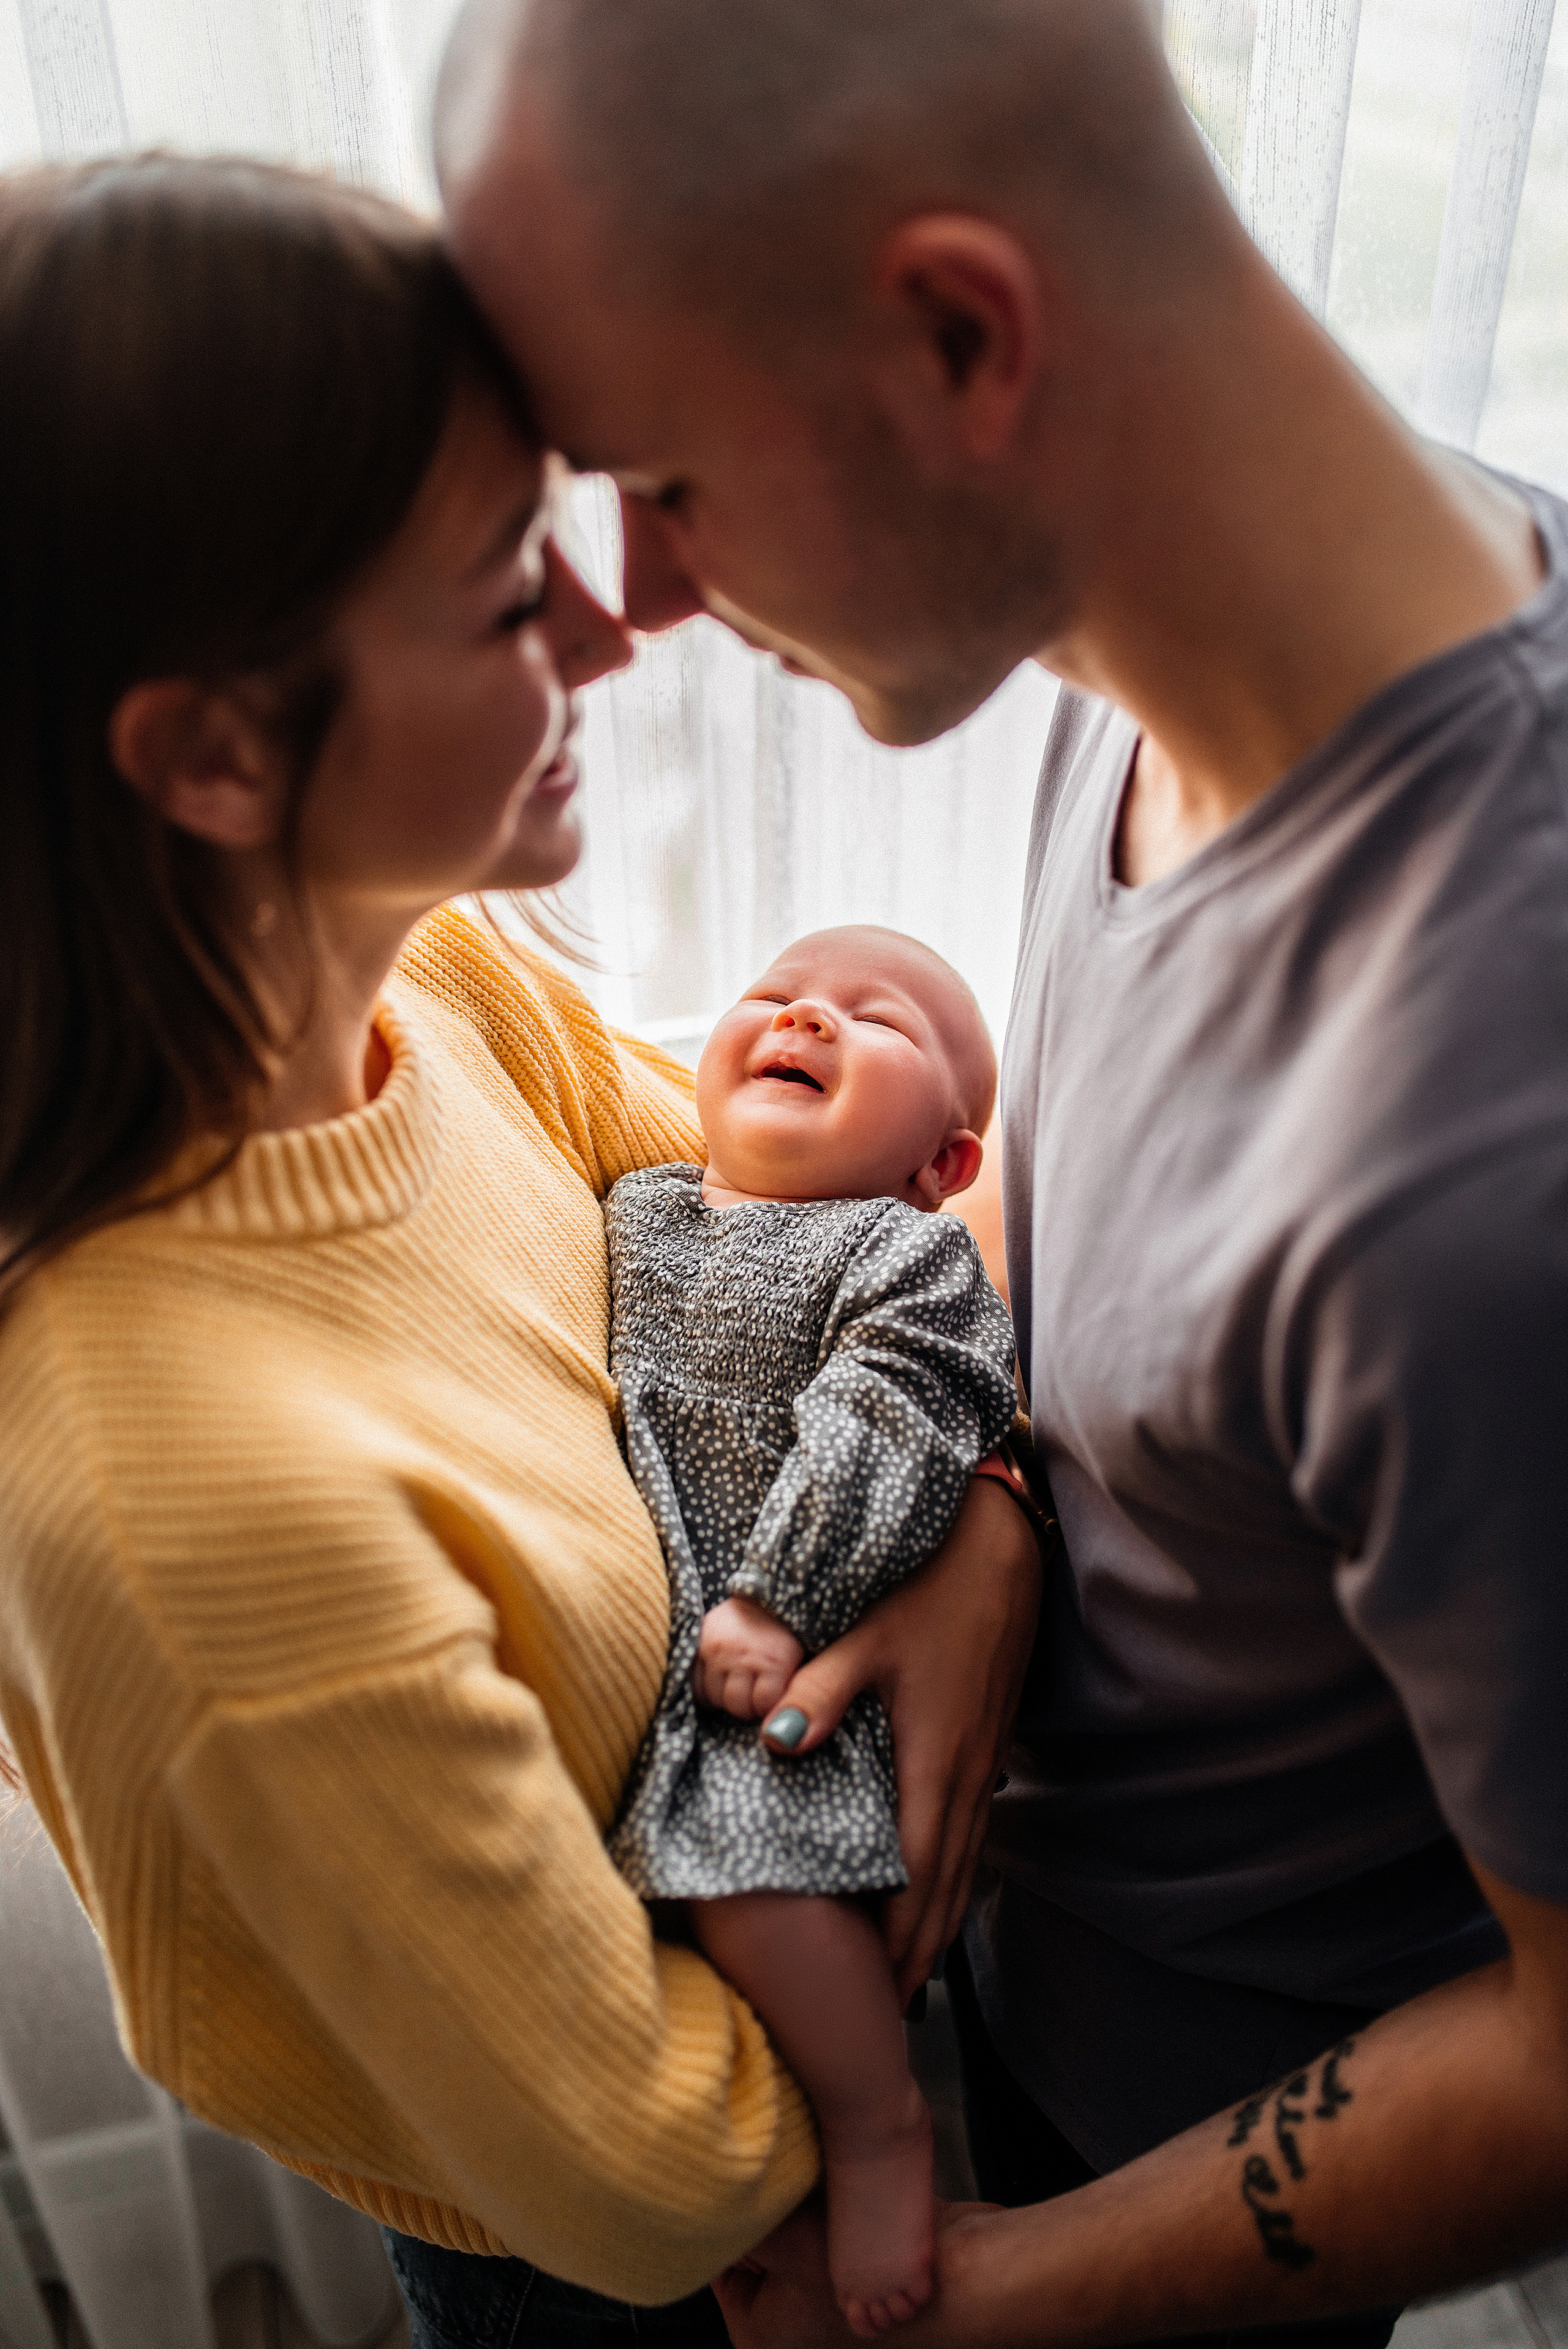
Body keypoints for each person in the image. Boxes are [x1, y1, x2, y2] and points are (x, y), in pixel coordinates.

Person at [434, 1, 1568, 2343]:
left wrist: (1007, 2299)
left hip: (1191, 2141)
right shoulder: (1175, 636)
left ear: (964, 332)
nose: (628, 600)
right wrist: (996, 1507)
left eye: (664, 479)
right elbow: (1124, 1144)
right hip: (998, 1954)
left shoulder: (1493, 1167)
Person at [0, 155, 1046, 2349]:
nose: (617, 618)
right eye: (505, 590)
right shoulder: (213, 1517)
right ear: (206, 757)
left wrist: (985, 1518)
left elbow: (841, 1249)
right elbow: (649, 2170)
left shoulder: (428, 980)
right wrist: (876, 1928)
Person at [605, 925, 1017, 2337]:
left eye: (871, 1018)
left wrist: (779, 1593)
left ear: (943, 1165)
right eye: (773, 999)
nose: (806, 1021)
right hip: (647, 1639)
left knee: (747, 1881)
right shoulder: (635, 1207)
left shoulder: (903, 1256)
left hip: (788, 1645)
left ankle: (879, 2123)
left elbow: (896, 1414)